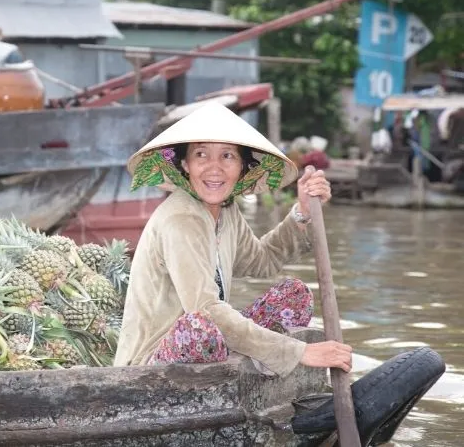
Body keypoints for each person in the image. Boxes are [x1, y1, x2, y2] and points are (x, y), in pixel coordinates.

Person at [114, 103, 352, 378]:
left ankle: (252, 375)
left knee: (294, 295)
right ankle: (252, 374)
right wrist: (298, 351)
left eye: (227, 156)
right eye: (201, 155)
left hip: (211, 341)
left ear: (241, 167)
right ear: (185, 165)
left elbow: (262, 260)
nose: (214, 169)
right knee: (199, 327)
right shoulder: (180, 219)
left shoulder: (226, 209)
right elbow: (206, 311)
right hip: (151, 363)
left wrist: (302, 212)